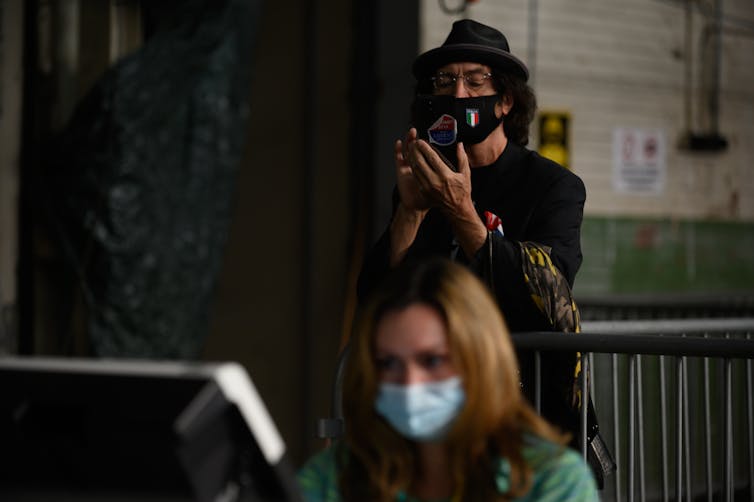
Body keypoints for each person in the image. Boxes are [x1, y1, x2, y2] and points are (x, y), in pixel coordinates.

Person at [357, 19, 587, 452]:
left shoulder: (554, 187)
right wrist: (409, 214)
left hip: (523, 420)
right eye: (445, 82)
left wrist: (462, 212)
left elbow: (547, 296)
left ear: (505, 102)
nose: (457, 94)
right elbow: (376, 300)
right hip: (432, 419)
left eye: (474, 81)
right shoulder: (425, 181)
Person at [299, 258, 598, 501]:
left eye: (432, 360)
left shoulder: (555, 481)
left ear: (481, 360)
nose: (409, 383)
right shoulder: (336, 476)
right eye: (388, 363)